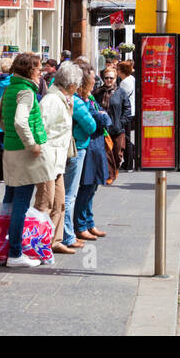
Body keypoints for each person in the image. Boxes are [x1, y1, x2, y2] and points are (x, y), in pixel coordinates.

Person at [0, 52, 50, 267]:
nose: (41, 73)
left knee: (9, 202)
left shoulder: (11, 87)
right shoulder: (26, 92)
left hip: (9, 151)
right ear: (29, 70)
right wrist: (32, 145)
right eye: (38, 69)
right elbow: (22, 121)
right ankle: (15, 253)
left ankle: (0, 249)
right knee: (20, 206)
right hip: (23, 154)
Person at [37, 61, 79, 260]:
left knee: (59, 202)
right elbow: (41, 128)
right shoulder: (51, 101)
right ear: (70, 84)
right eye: (76, 85)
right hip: (48, 159)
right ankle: (38, 243)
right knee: (45, 203)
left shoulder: (62, 99)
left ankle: (54, 241)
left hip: (58, 161)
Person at [72, 60, 112, 242]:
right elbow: (96, 121)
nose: (96, 80)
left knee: (93, 186)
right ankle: (80, 225)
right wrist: (101, 117)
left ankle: (89, 222)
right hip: (87, 145)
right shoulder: (80, 100)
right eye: (92, 78)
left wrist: (102, 116)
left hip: (96, 145)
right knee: (85, 187)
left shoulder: (91, 98)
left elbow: (106, 118)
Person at [102, 66, 132, 177]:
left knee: (117, 155)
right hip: (104, 130)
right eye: (106, 78)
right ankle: (108, 175)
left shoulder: (121, 92)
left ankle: (113, 172)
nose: (109, 80)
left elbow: (127, 110)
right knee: (106, 154)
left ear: (115, 78)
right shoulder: (98, 92)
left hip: (117, 129)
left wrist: (120, 123)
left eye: (111, 78)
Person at [118, 60, 137, 171]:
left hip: (127, 113)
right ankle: (128, 162)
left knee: (126, 138)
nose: (117, 71)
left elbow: (121, 98)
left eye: (118, 69)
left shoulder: (125, 83)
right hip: (131, 111)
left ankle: (129, 163)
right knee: (126, 137)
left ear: (122, 71)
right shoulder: (131, 79)